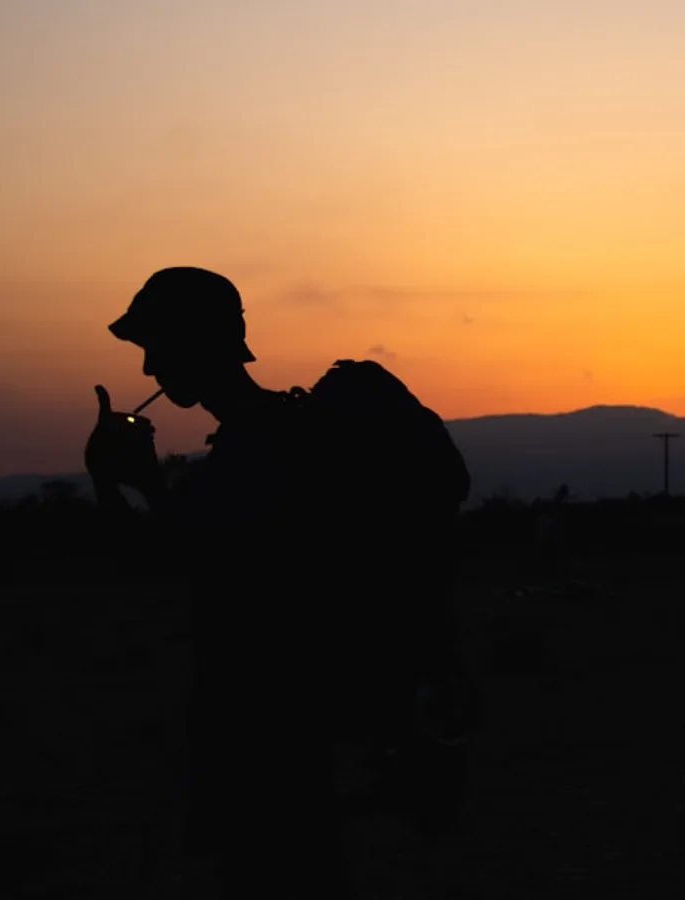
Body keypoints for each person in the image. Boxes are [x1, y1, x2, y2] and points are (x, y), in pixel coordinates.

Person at [84, 266, 474, 898]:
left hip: (271, 732)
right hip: (287, 728)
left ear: (197, 343)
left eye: (157, 346)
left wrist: (115, 480)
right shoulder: (265, 440)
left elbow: (172, 557)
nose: (151, 369)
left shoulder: (260, 451)